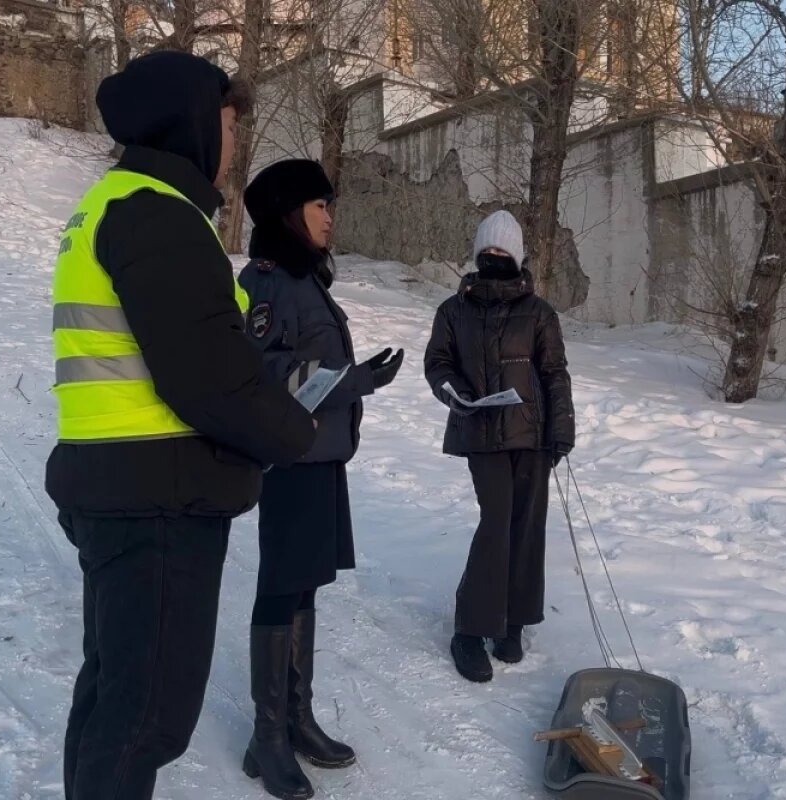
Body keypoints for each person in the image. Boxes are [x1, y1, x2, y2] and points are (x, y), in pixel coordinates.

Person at [47, 53, 318, 800]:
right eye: (229, 123)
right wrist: (298, 434)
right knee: (146, 719)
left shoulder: (117, 203)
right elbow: (209, 380)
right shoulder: (157, 215)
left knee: (114, 697)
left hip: (121, 484)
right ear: (196, 123)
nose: (234, 141)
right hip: (156, 496)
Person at [237, 159, 404, 799]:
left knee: (305, 583)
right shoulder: (268, 282)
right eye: (320, 205)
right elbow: (269, 374)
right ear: (289, 213)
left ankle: (296, 718)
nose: (331, 216)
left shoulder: (308, 280)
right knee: (281, 586)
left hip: (322, 455)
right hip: (291, 457)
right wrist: (356, 381)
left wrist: (359, 378)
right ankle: (267, 737)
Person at [423, 210, 575, 683]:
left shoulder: (539, 312)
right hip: (481, 433)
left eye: (502, 252)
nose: (493, 258)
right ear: (476, 254)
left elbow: (554, 373)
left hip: (531, 434)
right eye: (486, 251)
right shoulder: (453, 310)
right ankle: (470, 629)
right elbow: (438, 363)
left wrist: (563, 427)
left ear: (516, 256)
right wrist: (453, 390)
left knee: (526, 525)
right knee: (496, 523)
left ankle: (512, 620)